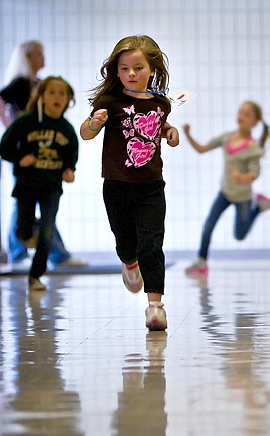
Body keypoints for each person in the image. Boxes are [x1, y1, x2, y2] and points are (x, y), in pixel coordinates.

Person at [80, 35, 179, 331]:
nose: (131, 74)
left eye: (138, 68)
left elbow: (158, 126)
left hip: (151, 185)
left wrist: (170, 132)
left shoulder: (161, 102)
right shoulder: (109, 101)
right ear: (116, 71)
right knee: (126, 240)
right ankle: (128, 262)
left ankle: (155, 306)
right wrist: (95, 123)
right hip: (117, 184)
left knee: (152, 241)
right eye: (124, 69)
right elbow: (86, 133)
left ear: (152, 70)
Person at [0, 40, 87, 268]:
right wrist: (11, 125)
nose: (43, 57)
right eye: (39, 54)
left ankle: (56, 254)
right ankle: (19, 253)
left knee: (46, 200)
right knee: (23, 201)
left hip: (43, 152)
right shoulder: (21, 83)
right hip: (24, 153)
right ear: (28, 57)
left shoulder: (39, 83)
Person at [182, 100, 270, 275]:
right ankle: (202, 261)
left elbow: (255, 173)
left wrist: (241, 178)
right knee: (209, 225)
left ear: (255, 121)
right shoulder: (227, 137)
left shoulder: (253, 148)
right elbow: (201, 149)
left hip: (243, 197)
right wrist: (188, 134)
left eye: (246, 114)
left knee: (239, 235)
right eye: (240, 112)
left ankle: (258, 207)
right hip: (225, 192)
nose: (241, 116)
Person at [0, 76, 79, 291]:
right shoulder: (26, 121)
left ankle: (35, 276)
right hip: (26, 185)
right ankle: (29, 230)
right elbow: (4, 147)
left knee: (47, 230)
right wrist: (19, 158)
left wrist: (70, 171)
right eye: (52, 92)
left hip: (51, 187)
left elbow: (71, 156)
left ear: (68, 100)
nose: (57, 97)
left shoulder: (67, 130)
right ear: (41, 96)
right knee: (22, 232)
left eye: (62, 94)